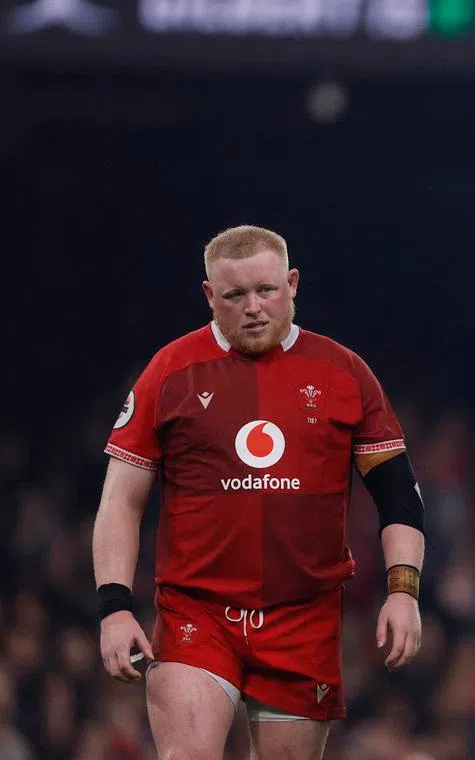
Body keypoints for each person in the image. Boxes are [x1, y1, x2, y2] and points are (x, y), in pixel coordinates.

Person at [92, 225, 426, 760]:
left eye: (266, 290)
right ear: (209, 296)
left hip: (304, 619)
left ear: (292, 284)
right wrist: (114, 607)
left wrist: (403, 593)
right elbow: (120, 500)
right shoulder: (170, 372)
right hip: (197, 613)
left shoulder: (344, 373)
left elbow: (399, 497)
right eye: (234, 295)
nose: (253, 307)